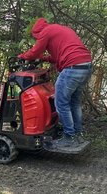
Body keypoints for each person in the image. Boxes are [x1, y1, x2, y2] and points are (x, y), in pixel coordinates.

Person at [18, 18, 92, 149]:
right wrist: (44, 58)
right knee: (74, 101)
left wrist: (23, 56)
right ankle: (78, 133)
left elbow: (35, 51)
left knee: (61, 102)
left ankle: (69, 137)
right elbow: (57, 57)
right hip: (85, 66)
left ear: (37, 33)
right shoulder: (62, 29)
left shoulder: (46, 31)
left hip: (72, 68)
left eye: (36, 37)